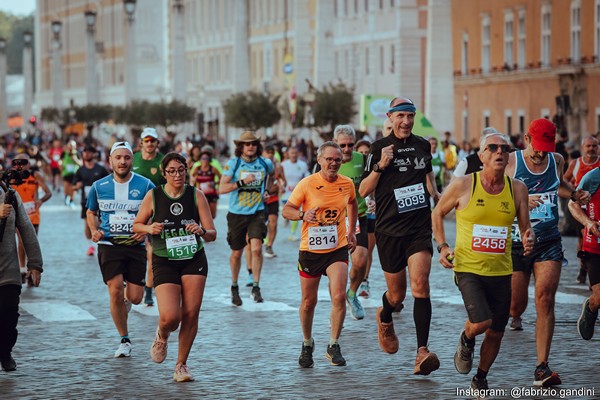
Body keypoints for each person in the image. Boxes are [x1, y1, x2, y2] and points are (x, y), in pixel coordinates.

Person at [432, 132, 533, 391]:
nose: (499, 152)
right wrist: (443, 246)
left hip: (501, 270)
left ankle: (481, 377)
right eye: (493, 148)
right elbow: (438, 212)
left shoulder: (517, 188)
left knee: (497, 330)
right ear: (482, 156)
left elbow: (525, 228)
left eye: (504, 148)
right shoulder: (464, 184)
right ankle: (467, 338)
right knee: (481, 322)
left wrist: (528, 237)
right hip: (468, 268)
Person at [359, 96, 441, 376]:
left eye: (410, 116)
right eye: (400, 117)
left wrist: (436, 194)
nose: (406, 122)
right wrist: (381, 165)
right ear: (390, 118)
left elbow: (428, 175)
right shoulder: (378, 148)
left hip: (418, 227)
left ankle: (421, 351)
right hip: (389, 230)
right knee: (397, 295)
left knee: (421, 285)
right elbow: (363, 190)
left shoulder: (422, 145)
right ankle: (384, 316)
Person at [505, 118, 589, 387]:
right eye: (537, 147)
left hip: (548, 239)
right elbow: (494, 193)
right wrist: (520, 199)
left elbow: (558, 186)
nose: (541, 154)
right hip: (516, 241)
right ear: (526, 140)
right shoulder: (510, 162)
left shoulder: (557, 160)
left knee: (545, 299)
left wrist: (575, 194)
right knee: (516, 305)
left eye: (546, 148)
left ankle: (542, 367)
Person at [133, 152, 216, 382]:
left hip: (193, 258)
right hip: (164, 258)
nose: (177, 174)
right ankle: (162, 333)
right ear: (164, 173)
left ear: (186, 170)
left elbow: (212, 233)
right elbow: (136, 225)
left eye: (181, 170)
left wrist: (201, 231)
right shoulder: (154, 196)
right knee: (171, 316)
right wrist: (150, 229)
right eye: (172, 171)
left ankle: (181, 365)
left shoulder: (196, 195)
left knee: (191, 313)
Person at [281, 141, 357, 368]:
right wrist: (303, 215)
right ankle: (307, 343)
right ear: (319, 160)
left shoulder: (347, 183)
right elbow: (287, 210)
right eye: (329, 159)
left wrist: (352, 231)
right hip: (311, 250)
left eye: (337, 159)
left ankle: (333, 345)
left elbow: (352, 204)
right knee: (307, 302)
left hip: (336, 248)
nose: (334, 163)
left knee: (338, 296)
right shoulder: (307, 184)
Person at [86, 141, 155, 358]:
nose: (122, 161)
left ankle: (124, 303)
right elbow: (90, 212)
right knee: (114, 290)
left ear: (132, 160)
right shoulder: (99, 186)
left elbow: (156, 212)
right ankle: (124, 339)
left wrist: (144, 230)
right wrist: (94, 230)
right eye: (118, 157)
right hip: (109, 245)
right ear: (110, 161)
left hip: (135, 246)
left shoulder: (146, 185)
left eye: (126, 157)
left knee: (134, 297)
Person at [219, 131, 274, 305]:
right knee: (237, 253)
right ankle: (234, 286)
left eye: (253, 144)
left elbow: (272, 177)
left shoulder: (265, 163)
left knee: (257, 248)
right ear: (241, 147)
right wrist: (242, 182)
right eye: (247, 144)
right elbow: (222, 188)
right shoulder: (233, 164)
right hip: (236, 214)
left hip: (257, 212)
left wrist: (266, 191)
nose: (250, 147)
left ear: (258, 146)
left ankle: (256, 287)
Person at [0, 171, 43, 372]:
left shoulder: (10, 195)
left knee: (9, 317)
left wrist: (35, 264)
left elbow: (26, 228)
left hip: (8, 271)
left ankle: (5, 351)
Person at [332, 125, 368, 320]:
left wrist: (373, 200)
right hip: (334, 219)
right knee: (337, 267)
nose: (346, 149)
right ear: (334, 143)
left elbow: (372, 183)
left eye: (350, 145)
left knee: (361, 260)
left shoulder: (362, 160)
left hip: (358, 216)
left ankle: (352, 294)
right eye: (342, 145)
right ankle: (336, 309)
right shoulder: (327, 161)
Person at [133, 127, 166, 307]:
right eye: (147, 140)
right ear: (142, 143)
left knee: (152, 253)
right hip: (132, 213)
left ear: (157, 143)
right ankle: (131, 284)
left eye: (153, 140)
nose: (150, 143)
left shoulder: (162, 162)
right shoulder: (133, 159)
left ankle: (148, 289)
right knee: (131, 251)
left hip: (155, 213)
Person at [568, 166, 600, 340]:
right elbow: (572, 203)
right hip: (595, 247)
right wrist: (588, 222)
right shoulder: (593, 177)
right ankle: (591, 307)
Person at [564, 136, 600, 284]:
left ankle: (587, 269)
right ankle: (583, 268)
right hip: (579, 206)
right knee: (582, 237)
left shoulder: (598, 165)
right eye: (588, 146)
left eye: (594, 146)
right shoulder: (576, 163)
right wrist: (574, 190)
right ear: (583, 148)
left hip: (595, 206)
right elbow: (564, 179)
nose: (591, 149)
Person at [11, 153, 51, 282]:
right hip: (19, 213)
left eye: (24, 162)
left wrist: (40, 201)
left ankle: (30, 269)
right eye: (18, 162)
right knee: (22, 241)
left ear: (29, 163)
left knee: (31, 242)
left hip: (33, 214)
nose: (21, 165)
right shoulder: (11, 177)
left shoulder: (35, 175)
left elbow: (48, 192)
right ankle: (23, 270)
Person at [73, 145, 110, 256]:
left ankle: (100, 243)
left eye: (89, 152)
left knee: (99, 222)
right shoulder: (80, 170)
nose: (87, 154)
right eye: (85, 152)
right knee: (88, 224)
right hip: (86, 201)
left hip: (101, 201)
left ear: (94, 154)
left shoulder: (101, 169)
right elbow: (74, 185)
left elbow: (109, 182)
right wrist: (77, 186)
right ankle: (91, 245)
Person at [355, 140, 375, 298]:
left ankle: (365, 281)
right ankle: (353, 279)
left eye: (366, 152)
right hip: (355, 214)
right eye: (361, 152)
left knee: (367, 250)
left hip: (372, 215)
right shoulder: (352, 168)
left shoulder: (374, 169)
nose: (364, 155)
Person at [281, 146, 309, 241]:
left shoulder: (303, 164)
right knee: (287, 212)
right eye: (291, 153)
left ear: (298, 154)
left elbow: (307, 176)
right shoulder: (283, 165)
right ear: (288, 154)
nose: (293, 155)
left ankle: (292, 233)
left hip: (298, 192)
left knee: (296, 211)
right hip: (286, 192)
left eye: (295, 153)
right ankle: (288, 223)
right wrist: (281, 185)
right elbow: (279, 177)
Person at [262, 145, 285, 258]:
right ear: (263, 153)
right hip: (260, 200)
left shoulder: (278, 167)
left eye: (272, 152)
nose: (270, 154)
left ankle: (269, 246)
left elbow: (282, 179)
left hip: (274, 198)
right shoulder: (258, 165)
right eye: (268, 151)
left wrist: (281, 185)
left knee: (273, 223)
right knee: (263, 223)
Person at [190, 148, 221, 219]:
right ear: (200, 159)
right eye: (203, 158)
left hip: (212, 193)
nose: (204, 160)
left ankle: (210, 227)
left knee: (212, 215)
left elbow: (221, 177)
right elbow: (191, 175)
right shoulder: (197, 169)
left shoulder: (213, 169)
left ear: (209, 160)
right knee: (200, 215)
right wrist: (193, 182)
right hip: (201, 193)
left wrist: (215, 184)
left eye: (206, 158)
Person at [61, 140, 81, 208]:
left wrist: (75, 159)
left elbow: (81, 163)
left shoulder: (77, 153)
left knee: (73, 188)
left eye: (73, 146)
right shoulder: (64, 153)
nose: (71, 147)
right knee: (66, 187)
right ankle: (66, 197)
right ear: (67, 146)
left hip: (75, 173)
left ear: (75, 146)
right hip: (66, 173)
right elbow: (60, 160)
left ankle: (71, 200)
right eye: (70, 145)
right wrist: (60, 165)